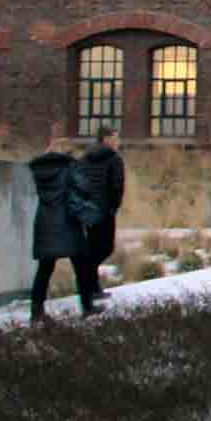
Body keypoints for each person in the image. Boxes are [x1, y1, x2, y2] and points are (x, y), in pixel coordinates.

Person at [29, 138, 102, 323]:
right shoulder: (70, 168)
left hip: (45, 223)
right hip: (68, 224)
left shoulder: (38, 170)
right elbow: (85, 188)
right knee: (82, 266)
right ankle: (87, 306)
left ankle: (36, 311)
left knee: (44, 270)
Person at [81, 127, 127, 298]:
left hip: (88, 209)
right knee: (106, 247)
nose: (118, 142)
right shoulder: (114, 159)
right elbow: (117, 186)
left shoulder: (86, 157)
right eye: (115, 138)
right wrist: (113, 207)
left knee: (93, 247)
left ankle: (92, 287)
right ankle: (89, 283)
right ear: (106, 139)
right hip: (104, 210)